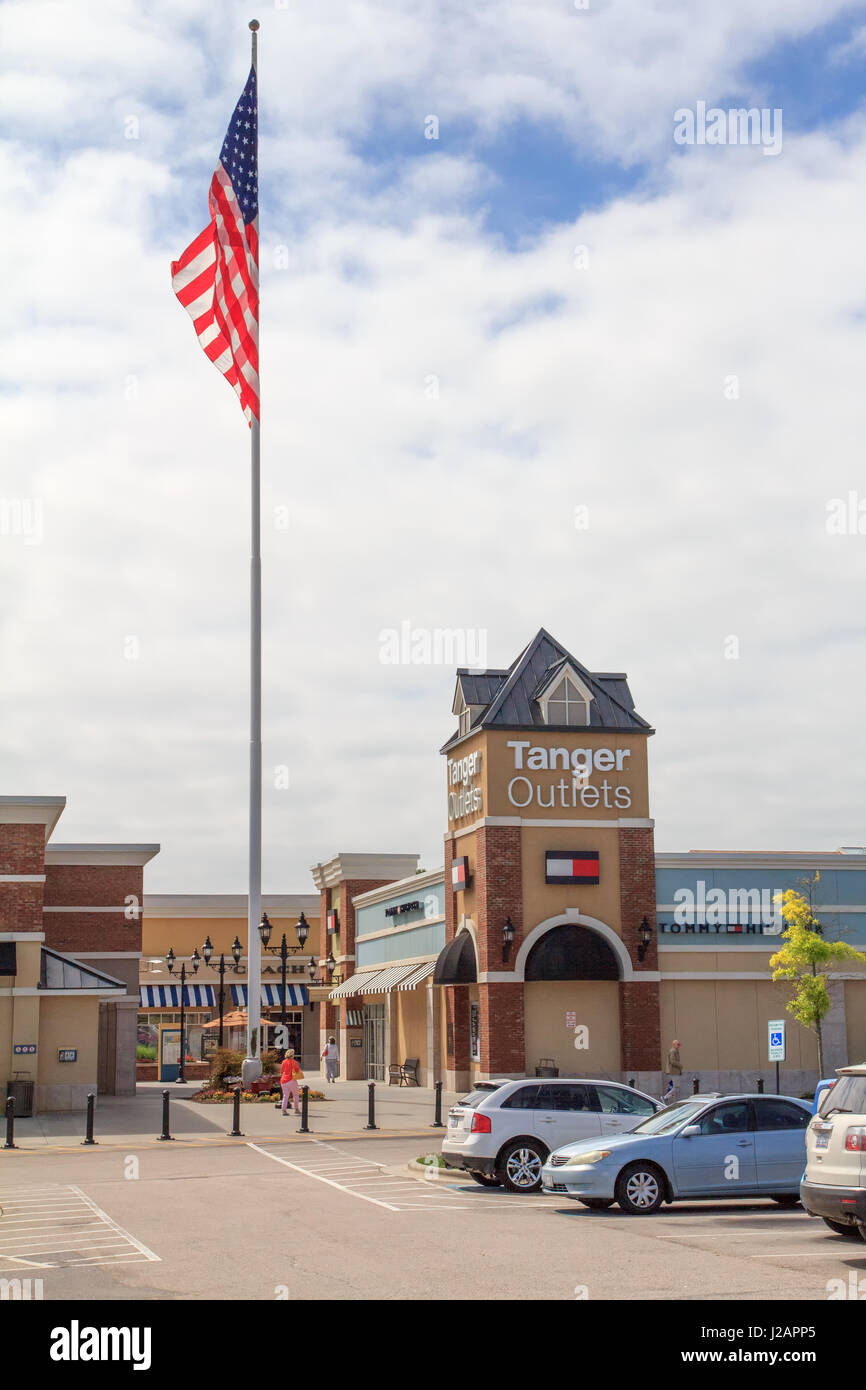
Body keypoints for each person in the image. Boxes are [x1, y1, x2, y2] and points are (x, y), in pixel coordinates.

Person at [280, 1048, 302, 1115]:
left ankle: (283, 1110)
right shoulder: (294, 1062)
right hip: (292, 1080)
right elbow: (297, 1070)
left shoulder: (283, 1062)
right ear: (292, 1055)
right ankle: (296, 1109)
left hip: (283, 1081)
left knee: (285, 1096)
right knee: (295, 1095)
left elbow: (282, 1071)